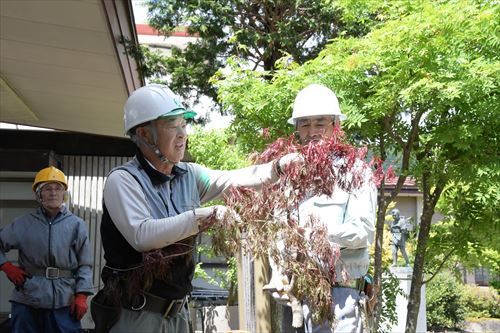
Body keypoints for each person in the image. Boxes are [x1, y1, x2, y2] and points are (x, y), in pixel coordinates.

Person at [91, 84, 285, 333]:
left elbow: (235, 179)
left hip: (178, 315)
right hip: (135, 315)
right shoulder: (123, 180)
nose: (183, 134)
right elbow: (142, 235)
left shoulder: (189, 176)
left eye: (184, 124)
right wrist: (201, 217)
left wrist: (277, 168)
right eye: (172, 125)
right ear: (145, 134)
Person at [266, 84, 377, 333]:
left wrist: (317, 236)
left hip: (339, 296)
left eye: (320, 123)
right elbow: (276, 232)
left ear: (335, 126)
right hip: (293, 297)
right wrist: (277, 273)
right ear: (296, 129)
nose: (312, 131)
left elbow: (364, 230)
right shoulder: (289, 176)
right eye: (305, 124)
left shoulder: (355, 172)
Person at [0, 166, 93, 333]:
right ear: (39, 194)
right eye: (47, 188)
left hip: (64, 302)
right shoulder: (23, 224)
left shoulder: (76, 225)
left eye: (58, 188)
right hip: (27, 300)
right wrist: (6, 266)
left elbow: (85, 264)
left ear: (64, 194)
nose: (53, 193)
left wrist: (82, 295)